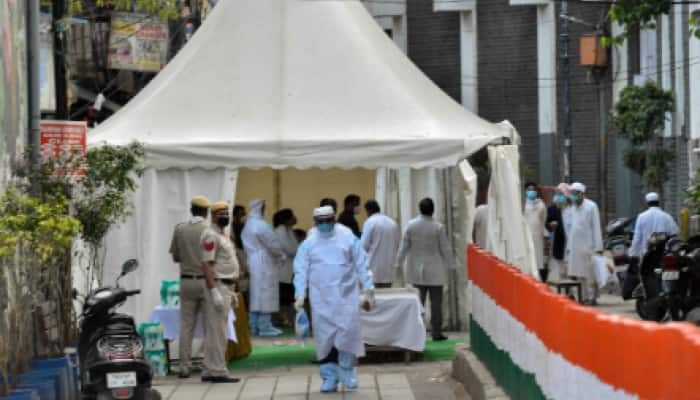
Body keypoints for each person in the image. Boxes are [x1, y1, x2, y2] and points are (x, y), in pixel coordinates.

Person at [293, 206, 375, 392]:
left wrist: (368, 287)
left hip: (346, 296)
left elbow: (362, 262)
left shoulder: (347, 236)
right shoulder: (309, 242)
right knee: (324, 339)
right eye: (320, 222)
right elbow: (301, 268)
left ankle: (347, 373)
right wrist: (300, 292)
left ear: (334, 220)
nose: (324, 226)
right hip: (320, 298)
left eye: (327, 221)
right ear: (315, 222)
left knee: (347, 335)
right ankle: (329, 377)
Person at [397, 198, 453, 341]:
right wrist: (452, 266)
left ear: (419, 209)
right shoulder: (438, 227)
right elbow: (445, 249)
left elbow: (403, 247)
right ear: (432, 209)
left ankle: (418, 332)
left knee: (418, 304)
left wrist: (398, 264)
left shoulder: (411, 225)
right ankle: (436, 332)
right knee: (436, 305)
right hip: (436, 271)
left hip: (416, 271)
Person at [168, 196, 210, 379]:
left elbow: (175, 256)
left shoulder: (180, 229)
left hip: (186, 280)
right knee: (210, 325)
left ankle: (184, 366)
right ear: (206, 211)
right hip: (206, 281)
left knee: (186, 326)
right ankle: (209, 365)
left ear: (191, 209)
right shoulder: (209, 230)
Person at [200, 201, 240, 383]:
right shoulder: (210, 235)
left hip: (227, 286)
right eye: (220, 213)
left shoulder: (223, 235)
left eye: (226, 212)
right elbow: (206, 264)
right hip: (218, 285)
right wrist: (214, 290)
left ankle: (209, 369)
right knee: (218, 331)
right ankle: (218, 370)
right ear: (212, 215)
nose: (224, 215)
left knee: (215, 330)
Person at [241, 199, 286, 336]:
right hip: (264, 262)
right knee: (267, 292)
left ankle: (253, 325)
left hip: (253, 261)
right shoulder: (261, 225)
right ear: (261, 208)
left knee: (256, 294)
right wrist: (280, 255)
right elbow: (272, 243)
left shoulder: (248, 225)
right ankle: (265, 326)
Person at [565, 182, 603, 305]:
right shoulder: (572, 208)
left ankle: (593, 297)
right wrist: (569, 247)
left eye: (576, 194)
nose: (574, 196)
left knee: (590, 274)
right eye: (572, 194)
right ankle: (583, 297)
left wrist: (598, 247)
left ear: (582, 194)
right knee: (579, 274)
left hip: (589, 246)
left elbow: (596, 227)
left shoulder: (591, 206)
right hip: (575, 247)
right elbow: (571, 229)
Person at [360, 200, 400, 288]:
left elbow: (363, 246)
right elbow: (397, 245)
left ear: (368, 210)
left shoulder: (370, 222)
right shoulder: (392, 223)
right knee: (386, 298)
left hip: (373, 269)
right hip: (389, 269)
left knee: (373, 299)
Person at [629, 192, 680, 258]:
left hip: (646, 255)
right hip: (663, 255)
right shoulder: (667, 216)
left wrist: (633, 255)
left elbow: (637, 238)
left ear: (647, 203)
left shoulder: (641, 217)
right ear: (658, 202)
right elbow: (675, 233)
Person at [273, 208, 299, 327]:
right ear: (286, 219)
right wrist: (297, 251)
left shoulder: (289, 230)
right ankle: (281, 319)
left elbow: (295, 248)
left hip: (289, 268)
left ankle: (287, 319)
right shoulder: (280, 230)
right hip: (282, 268)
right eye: (292, 216)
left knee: (288, 296)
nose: (295, 218)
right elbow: (290, 249)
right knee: (282, 297)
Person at [546, 183, 571, 281]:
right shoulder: (552, 209)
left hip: (571, 243)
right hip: (559, 243)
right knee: (561, 271)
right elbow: (547, 224)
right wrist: (550, 225)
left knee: (570, 270)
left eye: (561, 194)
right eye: (557, 194)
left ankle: (571, 292)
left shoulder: (572, 209)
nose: (558, 196)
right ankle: (564, 292)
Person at [524, 182, 547, 271]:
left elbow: (544, 219)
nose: (531, 192)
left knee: (537, 257)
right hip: (526, 234)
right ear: (525, 191)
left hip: (537, 234)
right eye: (529, 190)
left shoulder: (541, 205)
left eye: (533, 190)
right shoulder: (523, 204)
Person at [231, 205, 250, 305]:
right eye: (240, 214)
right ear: (234, 216)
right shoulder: (230, 231)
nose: (243, 217)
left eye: (244, 214)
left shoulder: (246, 228)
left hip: (248, 277)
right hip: (238, 278)